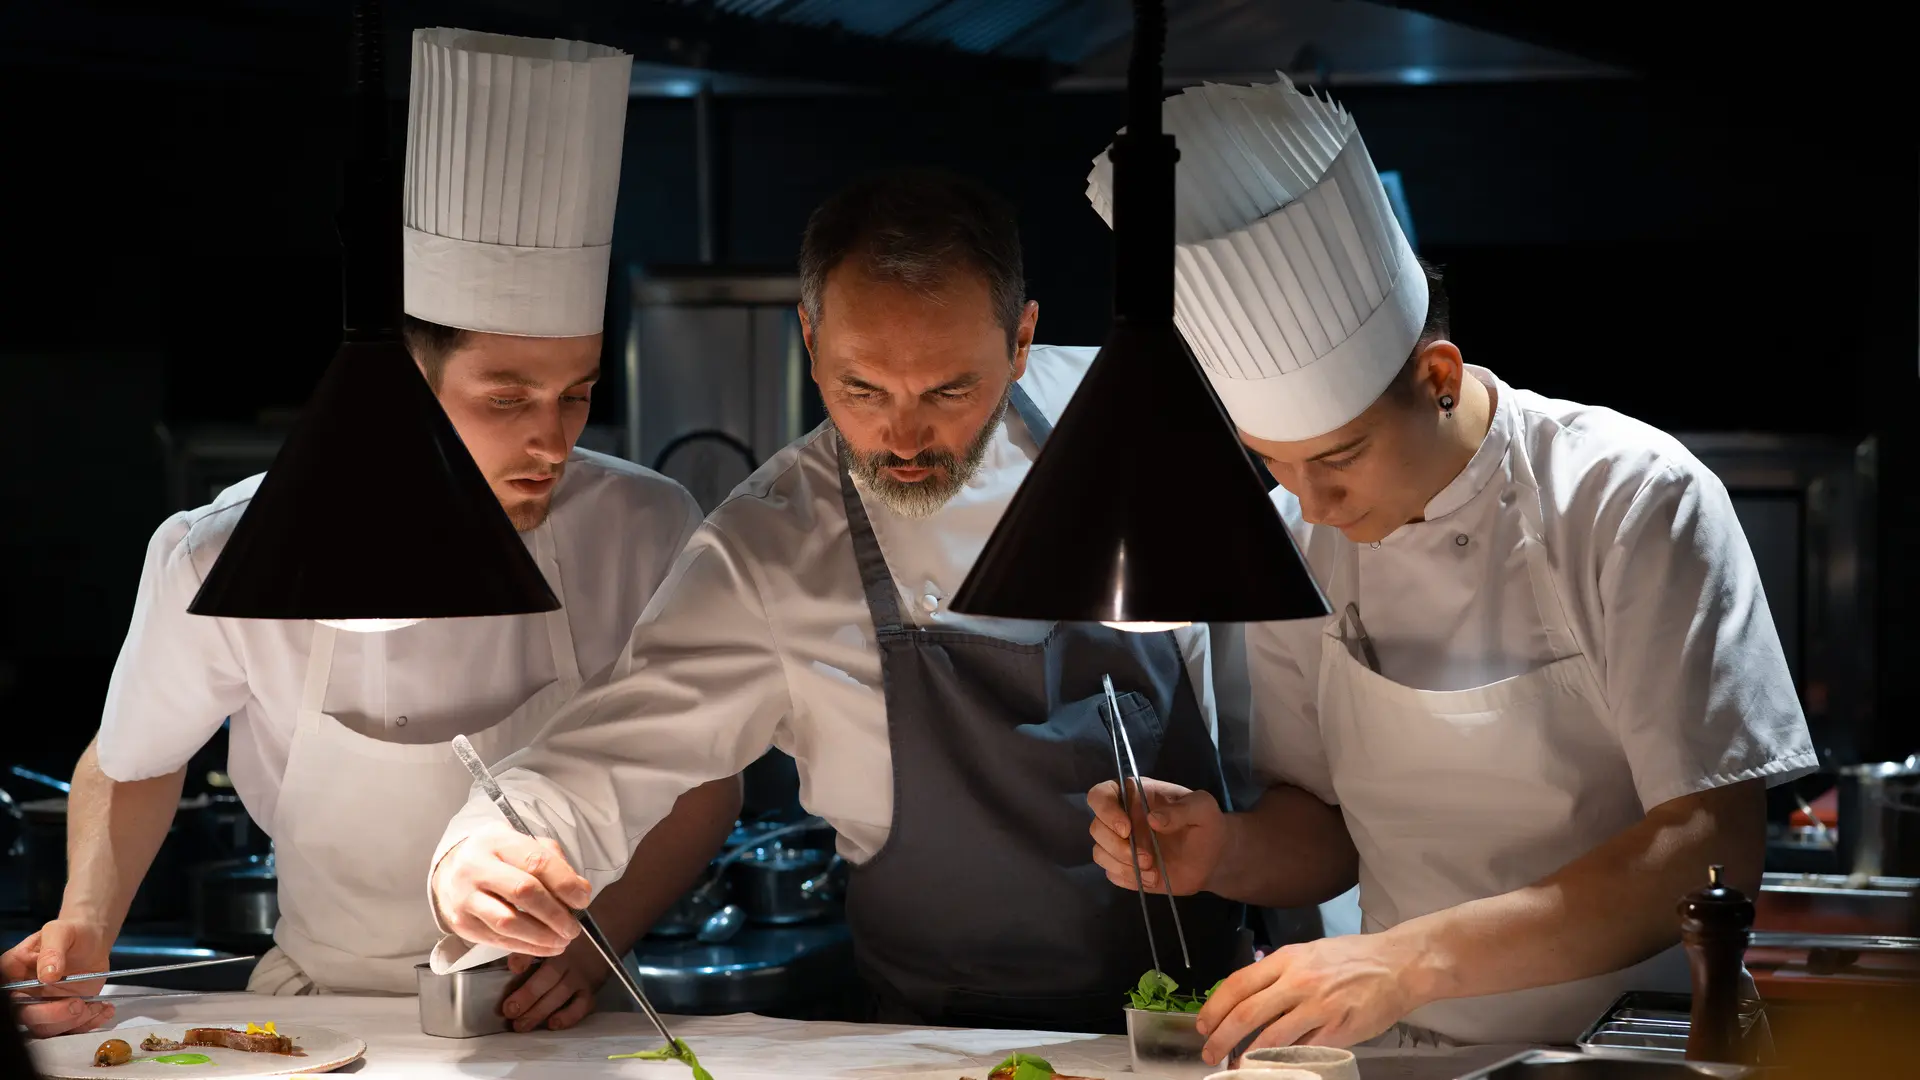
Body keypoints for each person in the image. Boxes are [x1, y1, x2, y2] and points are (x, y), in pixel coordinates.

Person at [4, 27, 738, 1038]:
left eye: (577, 394)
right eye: (506, 396)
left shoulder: (644, 527)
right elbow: (132, 760)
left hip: (555, 1017)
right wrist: (85, 924)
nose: (551, 438)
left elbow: (706, 778)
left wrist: (597, 935)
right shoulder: (225, 551)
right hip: (319, 1022)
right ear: (408, 385)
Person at [1082, 76, 1816, 1059]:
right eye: (1275, 462)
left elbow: (1710, 850)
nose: (1311, 502)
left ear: (1436, 379)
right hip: (1400, 1053)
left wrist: (1409, 959)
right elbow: (1327, 830)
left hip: (1635, 1046)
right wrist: (1224, 849)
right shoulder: (1294, 535)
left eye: (1338, 457)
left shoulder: (1630, 500)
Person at [426, 168, 1254, 1035]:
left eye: (949, 392)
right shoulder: (769, 549)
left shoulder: (1141, 438)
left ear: (1021, 341)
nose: (903, 437)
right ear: (810, 341)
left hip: (1205, 1029)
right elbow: (604, 754)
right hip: (935, 1046)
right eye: (862, 389)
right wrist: (481, 851)